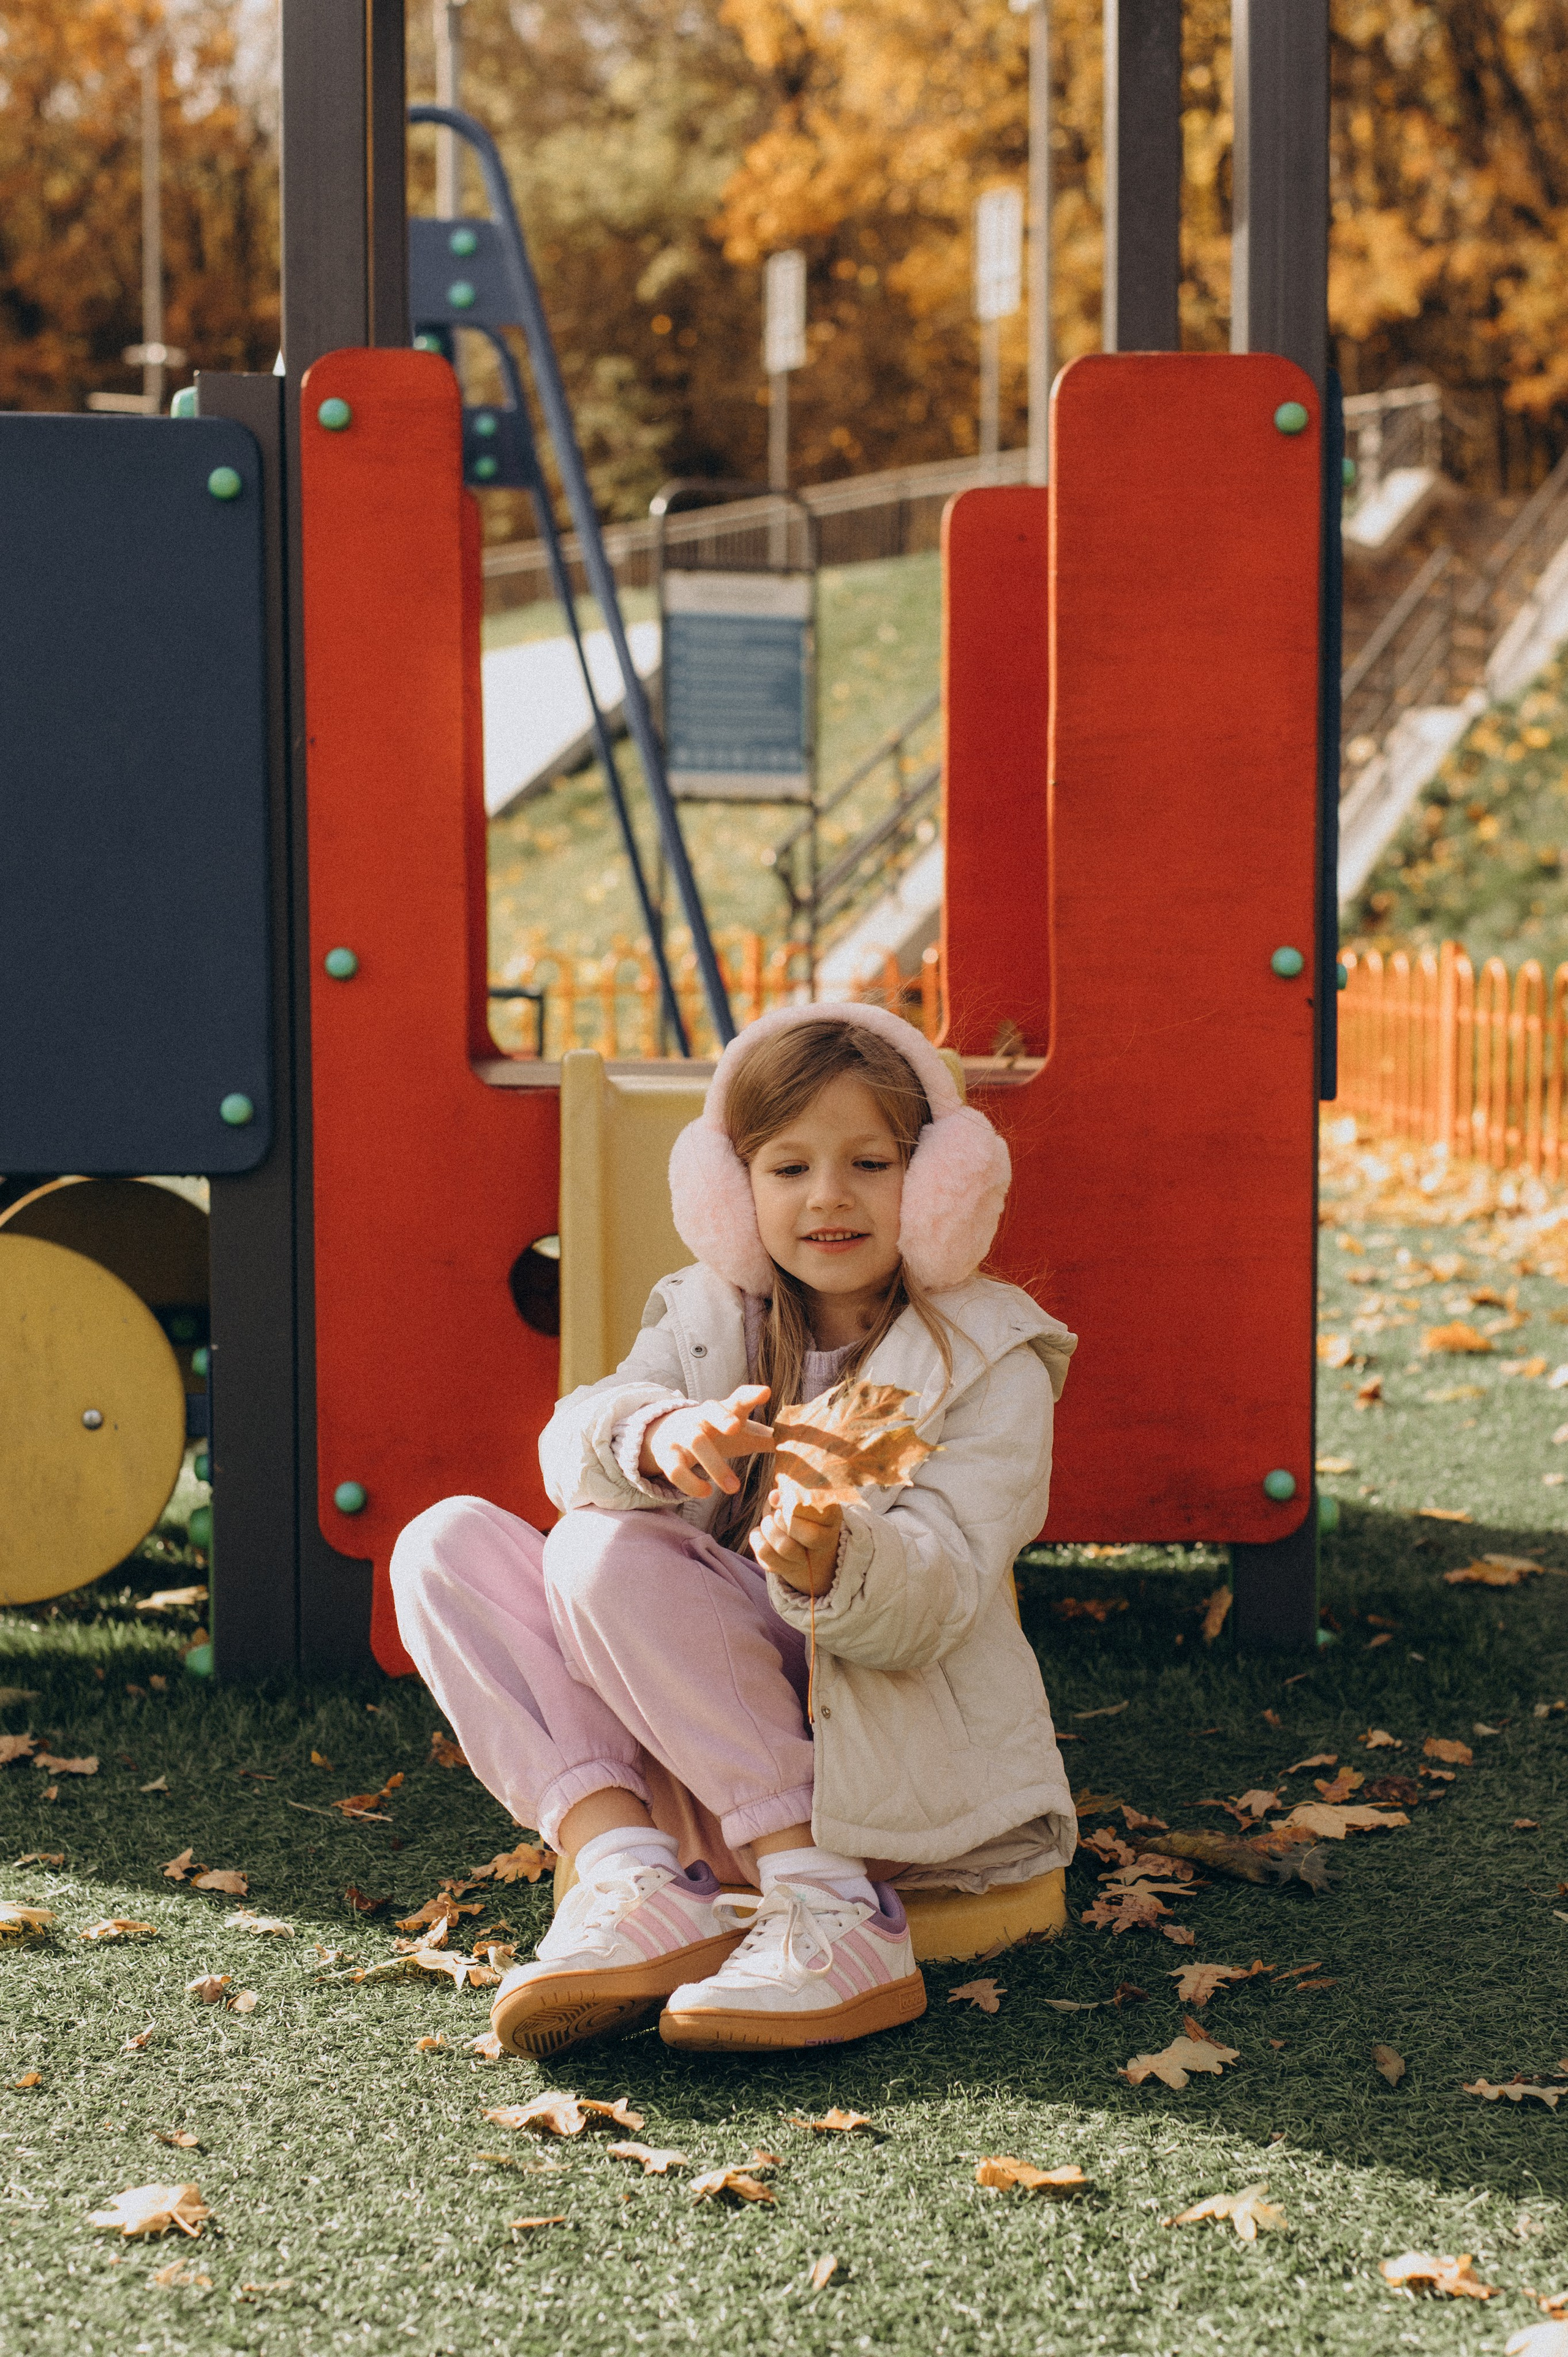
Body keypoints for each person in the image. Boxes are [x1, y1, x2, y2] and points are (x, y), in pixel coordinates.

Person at [390, 1002, 1077, 2059]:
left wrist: (843, 1560)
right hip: (694, 1765)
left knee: (597, 1549)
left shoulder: (991, 1360)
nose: (829, 1197)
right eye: (788, 1168)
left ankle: (835, 1910)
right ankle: (632, 1875)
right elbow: (577, 1437)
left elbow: (943, 1587)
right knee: (443, 1545)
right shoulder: (709, 1313)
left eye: (870, 1163)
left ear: (940, 1188)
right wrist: (655, 1432)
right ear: (734, 1193)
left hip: (869, 1769)